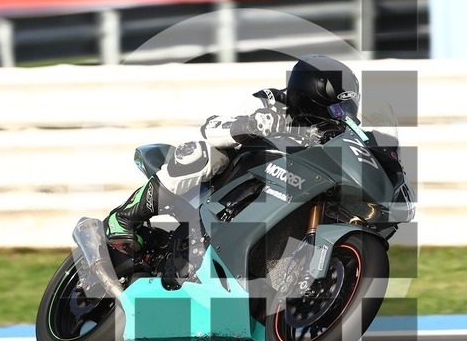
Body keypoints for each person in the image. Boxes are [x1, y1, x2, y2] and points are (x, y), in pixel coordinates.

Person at [104, 54, 398, 277]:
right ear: (310, 96)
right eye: (338, 106)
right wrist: (252, 124)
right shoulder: (273, 101)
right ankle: (123, 218)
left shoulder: (340, 131)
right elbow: (213, 128)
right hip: (238, 177)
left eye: (348, 106)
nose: (343, 113)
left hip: (297, 187)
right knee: (202, 153)